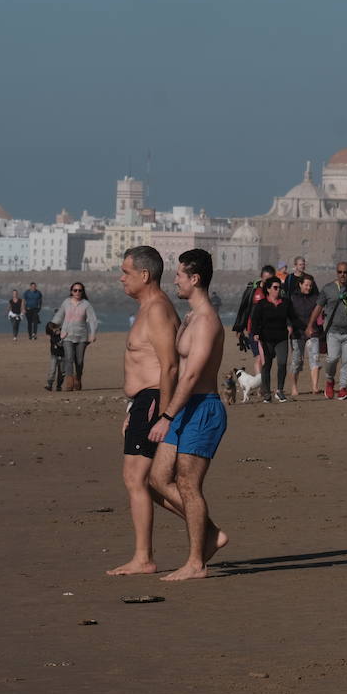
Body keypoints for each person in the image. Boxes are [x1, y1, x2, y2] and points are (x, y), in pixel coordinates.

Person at [147, 249, 229, 582]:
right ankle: (210, 534)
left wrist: (167, 415)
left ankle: (196, 562)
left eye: (179, 274)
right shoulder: (190, 317)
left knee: (187, 484)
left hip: (203, 408)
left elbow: (192, 375)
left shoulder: (207, 320)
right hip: (184, 409)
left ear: (195, 279)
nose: (175, 280)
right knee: (156, 481)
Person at [107, 245, 182, 576]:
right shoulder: (148, 309)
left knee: (137, 479)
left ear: (144, 275)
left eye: (125, 272)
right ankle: (206, 529)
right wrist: (132, 408)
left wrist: (164, 416)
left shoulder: (157, 311)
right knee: (147, 482)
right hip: (144, 403)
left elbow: (170, 367)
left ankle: (143, 558)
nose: (121, 277)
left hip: (154, 401)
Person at [306, 262, 347, 400]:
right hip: (332, 331)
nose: (342, 275)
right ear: (336, 272)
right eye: (340, 272)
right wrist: (310, 325)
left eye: (345, 272)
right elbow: (318, 307)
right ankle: (330, 381)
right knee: (332, 358)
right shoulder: (328, 289)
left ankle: (342, 389)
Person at [248, 276, 297, 403]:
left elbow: (293, 317)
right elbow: (255, 321)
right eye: (275, 287)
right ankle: (266, 393)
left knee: (282, 363)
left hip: (281, 338)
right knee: (267, 365)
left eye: (279, 288)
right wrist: (256, 333)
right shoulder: (262, 304)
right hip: (266, 338)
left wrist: (294, 327)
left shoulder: (286, 303)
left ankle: (280, 391)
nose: (278, 290)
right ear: (268, 289)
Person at [54, 281, 98, 391]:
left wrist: (92, 334)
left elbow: (92, 320)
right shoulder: (66, 303)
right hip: (67, 335)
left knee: (79, 361)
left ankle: (78, 378)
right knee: (68, 359)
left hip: (81, 337)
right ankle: (69, 382)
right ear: (71, 291)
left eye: (79, 290)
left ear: (82, 292)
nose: (77, 292)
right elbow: (59, 315)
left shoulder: (86, 304)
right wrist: (53, 327)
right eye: (75, 290)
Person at [287, 273, 322, 398]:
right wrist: (290, 326)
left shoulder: (316, 298)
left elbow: (320, 315)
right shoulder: (292, 298)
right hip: (297, 333)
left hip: (313, 332)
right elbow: (288, 315)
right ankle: (294, 387)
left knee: (315, 358)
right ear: (300, 284)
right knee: (297, 361)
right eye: (306, 285)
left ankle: (315, 386)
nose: (308, 288)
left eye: (310, 285)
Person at [44, 321, 66, 391]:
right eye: (53, 329)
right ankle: (49, 384)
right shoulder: (53, 337)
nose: (56, 330)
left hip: (63, 355)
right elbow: (59, 344)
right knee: (52, 370)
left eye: (56, 328)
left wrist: (63, 335)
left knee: (62, 372)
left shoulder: (63, 333)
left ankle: (59, 386)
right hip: (54, 355)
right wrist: (61, 337)